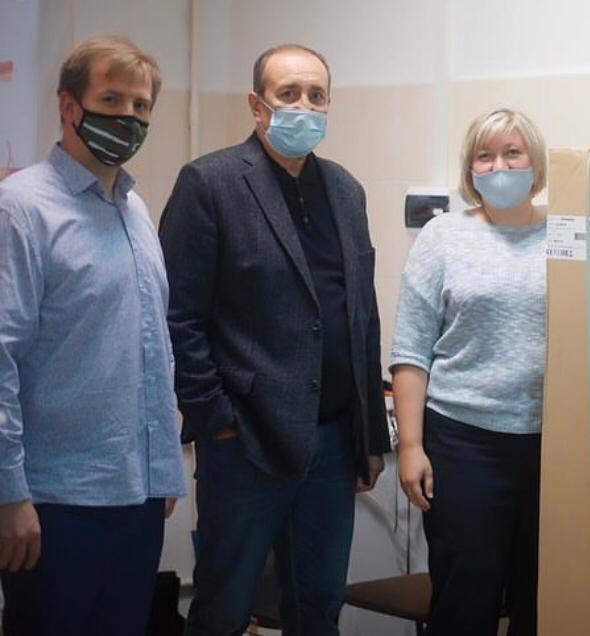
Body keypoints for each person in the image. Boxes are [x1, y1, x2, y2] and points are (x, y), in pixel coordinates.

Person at [159, 43, 390, 635]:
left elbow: (360, 316)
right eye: (289, 93)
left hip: (332, 441)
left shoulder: (346, 190)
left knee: (318, 608)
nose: (304, 106)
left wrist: (369, 436)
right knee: (225, 608)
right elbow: (178, 318)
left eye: (316, 95)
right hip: (246, 440)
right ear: (256, 105)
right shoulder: (209, 183)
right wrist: (216, 419)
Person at [0, 35, 186, 635]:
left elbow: (153, 348)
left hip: (137, 499)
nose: (128, 117)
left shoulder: (135, 210)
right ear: (69, 106)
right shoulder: (20, 209)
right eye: (111, 100)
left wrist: (162, 469)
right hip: (52, 502)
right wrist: (8, 493)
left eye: (141, 106)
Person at [392, 108, 547, 636]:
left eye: (512, 153)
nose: (499, 166)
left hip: (551, 444)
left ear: (535, 161)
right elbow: (411, 350)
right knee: (467, 598)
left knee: (545, 597)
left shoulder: (569, 233)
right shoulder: (443, 236)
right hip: (464, 444)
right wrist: (410, 446)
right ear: (470, 168)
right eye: (486, 155)